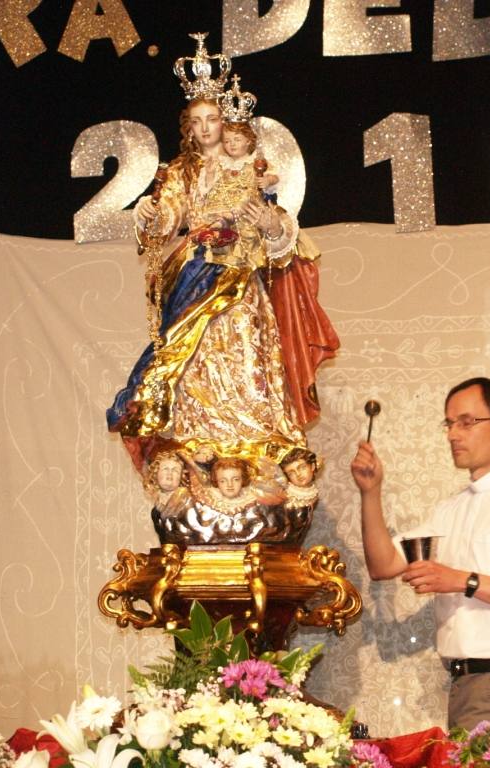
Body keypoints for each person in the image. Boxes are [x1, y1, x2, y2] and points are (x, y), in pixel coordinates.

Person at [105, 36, 325, 475]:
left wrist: (269, 224)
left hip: (240, 282)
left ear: (228, 124)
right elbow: (168, 216)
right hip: (194, 275)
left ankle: (254, 449)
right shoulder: (180, 171)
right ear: (188, 126)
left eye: (213, 119)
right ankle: (198, 448)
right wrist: (150, 213)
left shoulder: (250, 168)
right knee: (194, 361)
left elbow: (277, 229)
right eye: (197, 120)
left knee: (244, 355)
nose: (206, 128)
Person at [350, 377, 490, 731]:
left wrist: (460, 580)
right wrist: (371, 492)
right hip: (466, 684)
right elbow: (383, 564)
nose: (453, 434)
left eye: (466, 423)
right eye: (449, 424)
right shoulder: (450, 510)